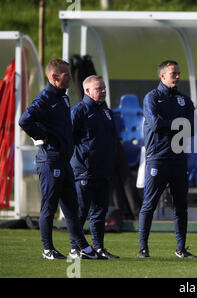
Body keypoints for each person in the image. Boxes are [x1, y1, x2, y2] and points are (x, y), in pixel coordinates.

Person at [18, 59, 105, 260]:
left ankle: (80, 248)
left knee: (71, 208)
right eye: (66, 75)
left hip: (64, 160)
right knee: (49, 205)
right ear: (54, 77)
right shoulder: (45, 99)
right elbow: (25, 120)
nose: (69, 78)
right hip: (50, 160)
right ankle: (47, 249)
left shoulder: (63, 98)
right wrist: (42, 136)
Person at [138, 60, 196, 258]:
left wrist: (168, 123)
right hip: (158, 158)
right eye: (174, 73)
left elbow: (192, 127)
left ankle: (181, 249)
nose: (178, 76)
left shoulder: (184, 100)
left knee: (181, 205)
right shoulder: (152, 97)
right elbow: (155, 125)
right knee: (150, 203)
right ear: (162, 76)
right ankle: (143, 248)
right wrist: (178, 124)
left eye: (179, 73)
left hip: (179, 159)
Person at [69, 75, 119, 259]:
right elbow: (70, 139)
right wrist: (81, 161)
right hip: (84, 171)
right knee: (80, 212)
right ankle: (75, 248)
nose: (103, 91)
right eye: (99, 89)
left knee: (99, 212)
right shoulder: (79, 111)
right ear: (88, 91)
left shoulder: (106, 112)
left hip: (103, 171)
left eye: (104, 88)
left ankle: (98, 248)